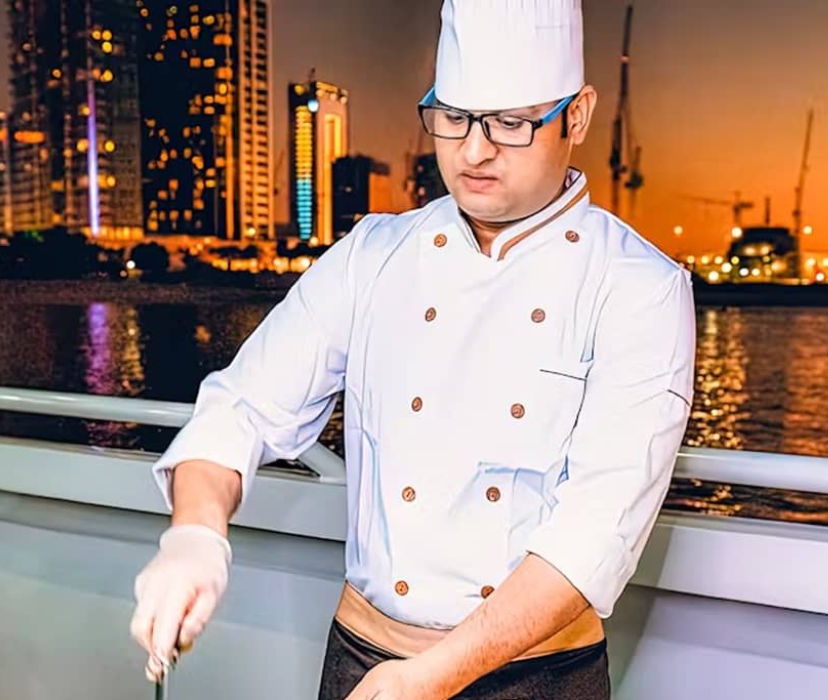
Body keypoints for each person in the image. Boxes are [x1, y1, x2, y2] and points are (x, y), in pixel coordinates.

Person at [129, 1, 696, 697]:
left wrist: (430, 678)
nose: (474, 151)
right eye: (453, 117)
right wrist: (195, 534)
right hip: (362, 656)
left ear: (576, 116)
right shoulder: (373, 254)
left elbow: (594, 535)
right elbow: (243, 406)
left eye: (510, 123)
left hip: (537, 679)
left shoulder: (638, 285)